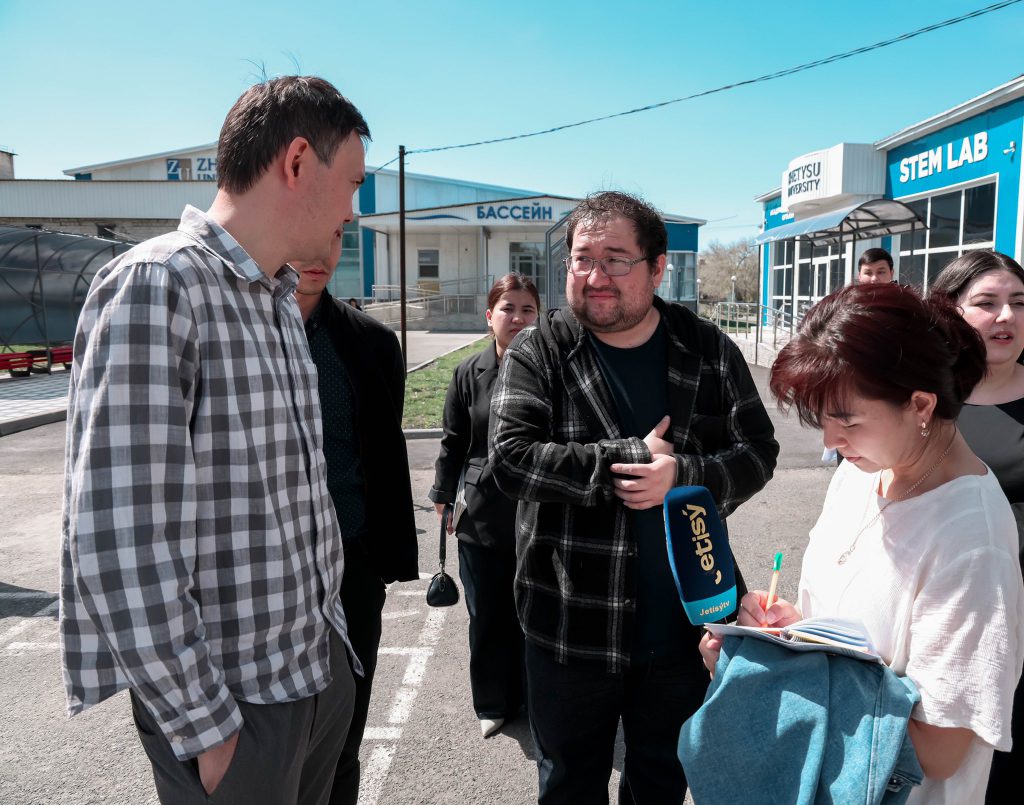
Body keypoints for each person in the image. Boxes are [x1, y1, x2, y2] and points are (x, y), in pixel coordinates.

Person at [61, 76, 369, 805]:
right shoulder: (157, 284)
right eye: (353, 183)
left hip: (313, 673)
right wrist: (208, 731)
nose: (353, 212)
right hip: (236, 708)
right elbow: (117, 540)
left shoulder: (276, 299)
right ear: (298, 161)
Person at [489, 191, 779, 803]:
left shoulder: (706, 349)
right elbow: (511, 460)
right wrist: (624, 460)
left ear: (657, 267)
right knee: (569, 787)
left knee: (661, 784)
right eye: (582, 259)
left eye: (616, 260)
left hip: (686, 624)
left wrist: (684, 474)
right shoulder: (539, 351)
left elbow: (759, 451)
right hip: (569, 623)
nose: (596, 276)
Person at [701, 282, 1024, 803]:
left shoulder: (971, 541)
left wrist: (774, 674)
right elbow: (857, 636)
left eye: (847, 420)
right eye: (820, 419)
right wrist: (788, 633)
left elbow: (940, 749)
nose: (830, 441)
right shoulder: (861, 472)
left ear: (921, 404)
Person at [292, 246, 419, 804]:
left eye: (336, 233)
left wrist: (377, 558)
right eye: (305, 233)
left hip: (351, 562)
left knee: (343, 735)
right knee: (268, 743)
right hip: (260, 571)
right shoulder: (237, 333)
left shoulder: (371, 341)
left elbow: (381, 452)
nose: (319, 252)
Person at [929, 250, 1024, 803]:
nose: (1006, 316)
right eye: (987, 303)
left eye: (1019, 302)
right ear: (952, 312)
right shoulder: (924, 402)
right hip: (950, 623)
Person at [428, 273, 539, 739]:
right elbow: (454, 440)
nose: (518, 317)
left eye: (528, 309)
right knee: (488, 615)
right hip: (481, 512)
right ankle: (493, 702)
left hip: (539, 513)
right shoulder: (467, 372)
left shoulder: (551, 371)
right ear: (489, 316)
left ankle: (536, 699)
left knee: (536, 614)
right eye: (508, 308)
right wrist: (442, 495)